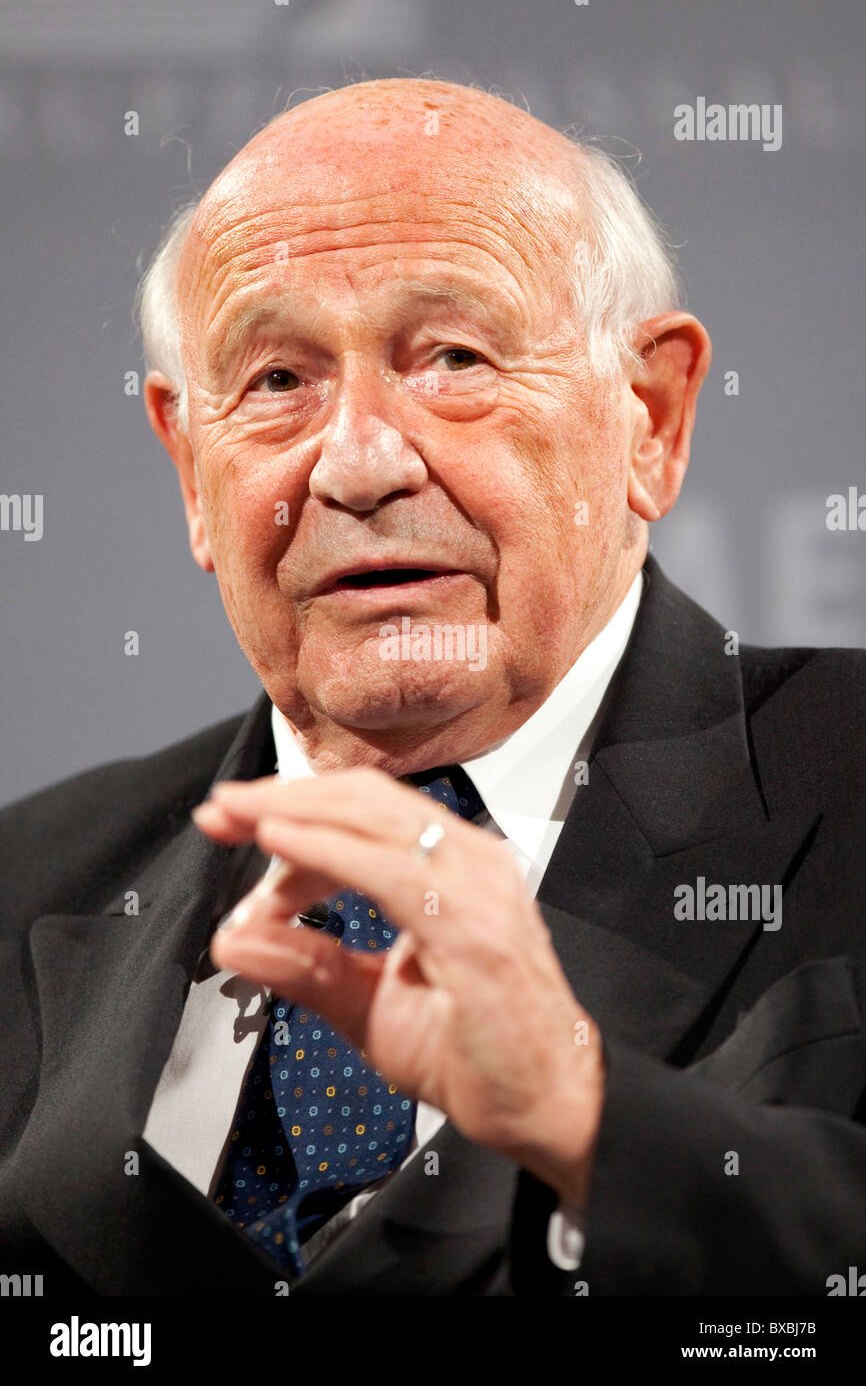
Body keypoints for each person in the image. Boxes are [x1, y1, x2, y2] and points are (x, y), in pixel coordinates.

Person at [1, 77, 864, 1298]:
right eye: (275, 381)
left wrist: (585, 1120)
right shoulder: (28, 878)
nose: (356, 461)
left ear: (651, 420)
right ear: (191, 470)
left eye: (453, 356)